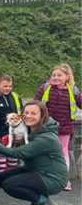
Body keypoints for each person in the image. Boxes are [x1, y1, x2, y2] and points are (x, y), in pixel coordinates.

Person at [0, 100, 69, 205]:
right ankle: (36, 200)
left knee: (10, 185)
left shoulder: (46, 138)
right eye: (26, 112)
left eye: (33, 113)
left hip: (52, 178)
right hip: (34, 170)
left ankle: (47, 204)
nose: (29, 116)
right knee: (0, 178)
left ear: (42, 116)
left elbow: (16, 153)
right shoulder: (31, 130)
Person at [34, 63, 82, 191]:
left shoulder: (73, 90)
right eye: (54, 75)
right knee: (43, 153)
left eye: (59, 75)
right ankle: (43, 178)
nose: (56, 77)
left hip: (64, 128)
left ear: (67, 76)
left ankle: (64, 180)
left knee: (63, 154)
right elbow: (35, 102)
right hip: (46, 127)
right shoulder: (45, 87)